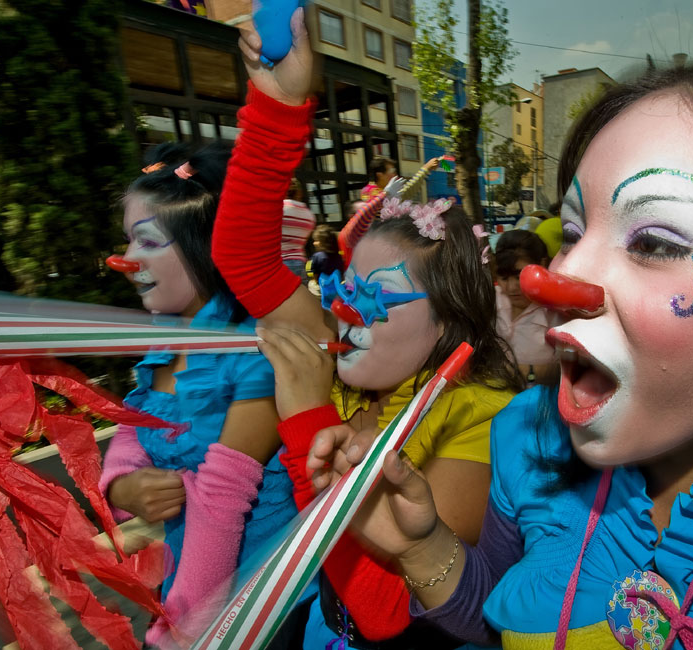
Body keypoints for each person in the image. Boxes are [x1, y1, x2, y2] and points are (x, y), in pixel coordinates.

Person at [307, 65, 693, 649]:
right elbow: (496, 620)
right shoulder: (528, 438)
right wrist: (421, 546)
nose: (554, 276)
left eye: (655, 242)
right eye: (574, 232)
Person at [216, 16, 524, 649]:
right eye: (345, 286)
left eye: (377, 294)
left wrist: (305, 419)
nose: (347, 310)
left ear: (448, 321)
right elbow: (243, 258)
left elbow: (387, 609)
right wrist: (278, 105)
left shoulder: (482, 415)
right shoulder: (348, 352)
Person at [99, 143, 300, 648]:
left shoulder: (259, 351)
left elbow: (220, 499)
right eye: (128, 241)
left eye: (147, 241)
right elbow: (134, 423)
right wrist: (121, 485)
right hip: (188, 595)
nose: (126, 260)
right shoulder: (167, 339)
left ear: (204, 246)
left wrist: (180, 633)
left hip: (260, 611)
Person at [493, 228, 557, 385]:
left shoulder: (555, 310)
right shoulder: (493, 300)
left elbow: (570, 368)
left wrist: (528, 372)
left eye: (519, 276)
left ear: (542, 265)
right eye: (504, 278)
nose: (511, 288)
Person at [282, 177, 316, 285]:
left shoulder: (278, 209)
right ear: (299, 193)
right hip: (300, 263)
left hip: (279, 264)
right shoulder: (309, 215)